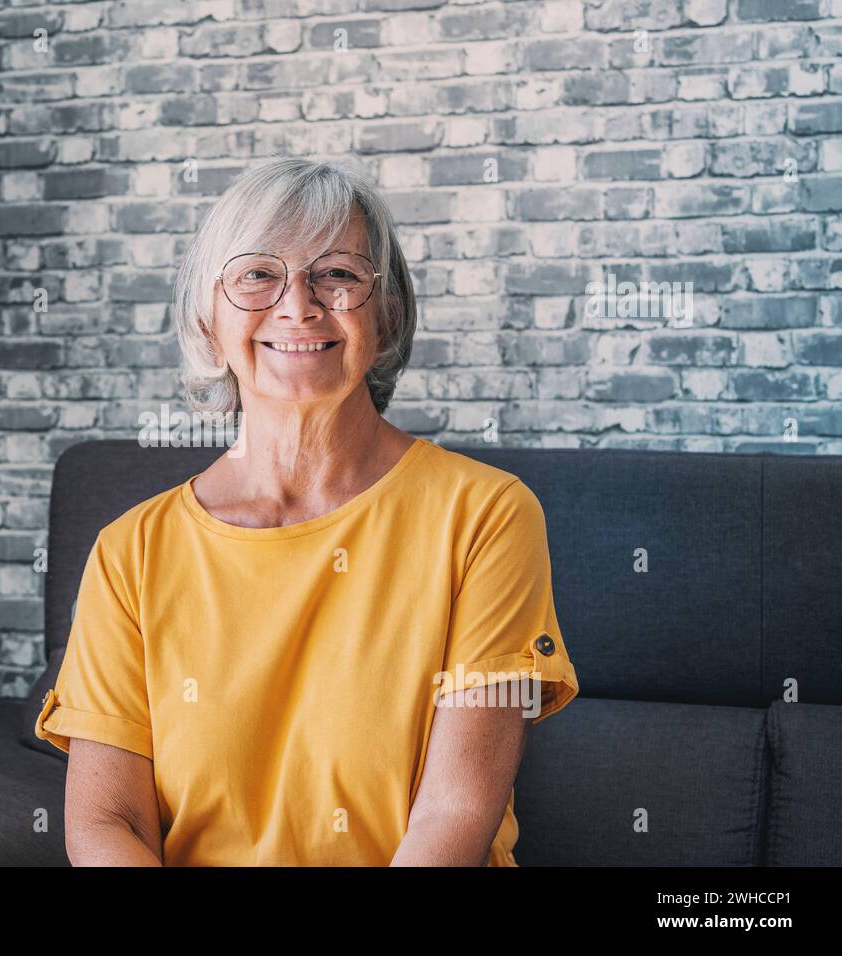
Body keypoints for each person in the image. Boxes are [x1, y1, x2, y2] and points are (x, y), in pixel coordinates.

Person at [36, 157, 579, 866]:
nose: (298, 305)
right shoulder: (130, 550)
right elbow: (108, 827)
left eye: (339, 275)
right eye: (257, 275)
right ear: (208, 316)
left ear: (385, 315)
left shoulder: (488, 515)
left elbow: (456, 813)